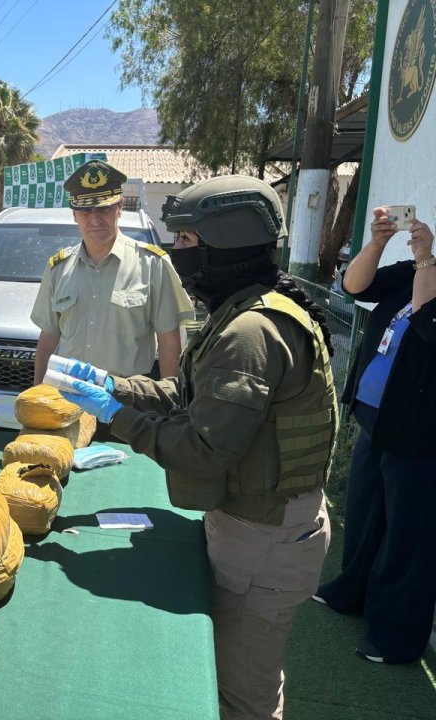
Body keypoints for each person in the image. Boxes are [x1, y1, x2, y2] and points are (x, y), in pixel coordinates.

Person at [59, 175, 337, 720]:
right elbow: (188, 396)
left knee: (242, 696)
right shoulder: (245, 311)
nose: (176, 251)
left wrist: (116, 417)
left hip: (263, 538)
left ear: (224, 243)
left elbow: (201, 449)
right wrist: (114, 385)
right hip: (255, 525)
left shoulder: (250, 333)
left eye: (185, 240)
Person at [314, 206, 436, 664]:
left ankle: (395, 636)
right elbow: (354, 287)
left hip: (420, 431)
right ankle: (352, 593)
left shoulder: (425, 272)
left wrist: (426, 261)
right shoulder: (412, 272)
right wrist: (379, 242)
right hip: (376, 419)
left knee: (408, 534)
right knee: (366, 515)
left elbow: (427, 323)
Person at [31, 159, 193, 384]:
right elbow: (48, 338)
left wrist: (169, 396)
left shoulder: (153, 265)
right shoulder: (58, 269)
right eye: (85, 211)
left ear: (120, 207)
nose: (95, 219)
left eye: (104, 209)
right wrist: (38, 393)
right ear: (74, 214)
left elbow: (169, 340)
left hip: (128, 398)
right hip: (69, 395)